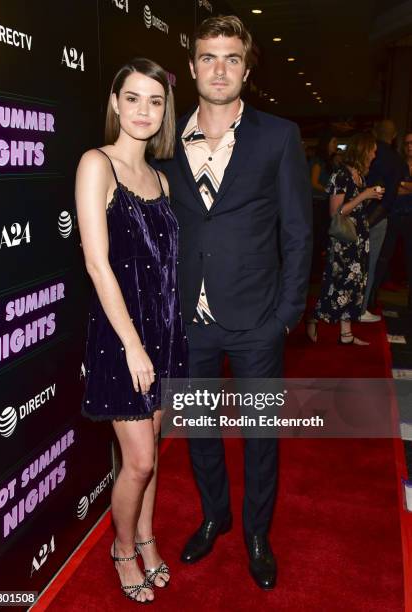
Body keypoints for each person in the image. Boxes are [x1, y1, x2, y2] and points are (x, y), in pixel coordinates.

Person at [156, 16, 312, 590]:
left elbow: (298, 233)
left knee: (260, 436)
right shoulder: (165, 138)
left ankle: (255, 533)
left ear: (246, 67)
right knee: (198, 431)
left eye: (231, 58)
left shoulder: (278, 136)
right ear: (192, 66)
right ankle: (215, 516)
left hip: (257, 322)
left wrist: (285, 317)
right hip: (188, 323)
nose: (219, 69)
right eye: (207, 57)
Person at [75, 58, 188, 604]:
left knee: (154, 451)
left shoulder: (161, 177)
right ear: (116, 103)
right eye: (134, 98)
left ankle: (146, 535)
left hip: (165, 333)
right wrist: (133, 346)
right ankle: (122, 548)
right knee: (138, 459)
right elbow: (98, 265)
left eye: (156, 101)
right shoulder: (97, 165)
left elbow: (166, 265)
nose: (144, 110)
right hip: (124, 339)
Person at [306, 132, 385, 345]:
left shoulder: (359, 174)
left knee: (354, 286)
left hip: (359, 238)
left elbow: (356, 207)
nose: (374, 155)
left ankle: (346, 334)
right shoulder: (340, 175)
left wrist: (369, 196)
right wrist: (364, 196)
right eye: (372, 151)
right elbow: (335, 212)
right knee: (337, 283)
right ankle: (314, 318)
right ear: (363, 150)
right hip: (343, 240)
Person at [360, 119, 404, 321]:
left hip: (357, 210)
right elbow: (389, 198)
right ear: (394, 136)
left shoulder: (369, 152)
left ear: (375, 131)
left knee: (353, 262)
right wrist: (371, 221)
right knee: (372, 263)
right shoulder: (397, 160)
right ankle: (363, 306)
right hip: (379, 217)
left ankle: (349, 305)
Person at [372, 131, 412, 310]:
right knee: (382, 257)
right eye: (407, 143)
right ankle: (370, 298)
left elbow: (397, 187)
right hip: (393, 215)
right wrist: (402, 186)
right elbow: (391, 189)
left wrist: (402, 186)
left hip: (410, 217)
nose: (410, 146)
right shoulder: (398, 162)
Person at [310, 131, 338, 260]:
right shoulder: (318, 161)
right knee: (318, 234)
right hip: (317, 203)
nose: (336, 145)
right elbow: (313, 182)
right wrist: (328, 189)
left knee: (323, 234)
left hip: (325, 202)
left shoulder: (329, 161)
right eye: (333, 142)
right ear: (326, 144)